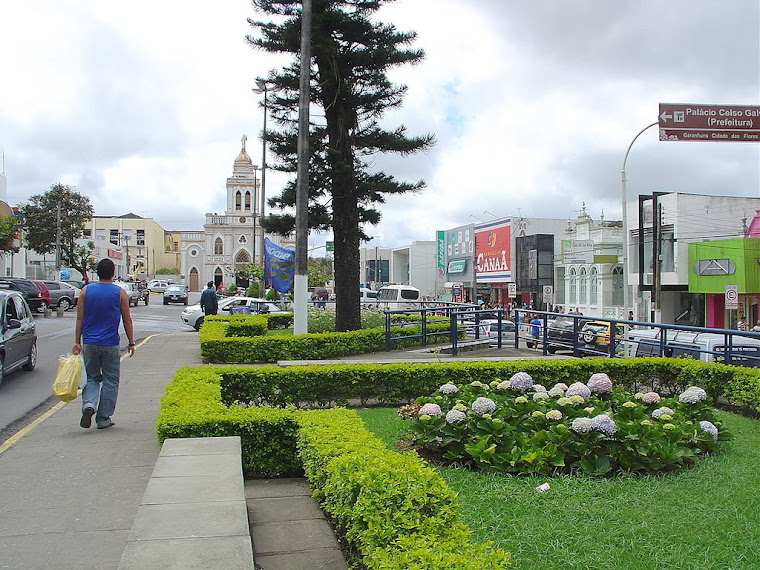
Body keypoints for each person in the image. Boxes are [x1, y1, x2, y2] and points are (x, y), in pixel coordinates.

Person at [73, 258, 135, 430]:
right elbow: (127, 320)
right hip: (110, 343)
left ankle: (89, 405)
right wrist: (131, 342)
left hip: (90, 343)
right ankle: (103, 418)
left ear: (97, 272)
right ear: (113, 273)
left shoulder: (86, 291)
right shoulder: (119, 293)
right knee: (110, 380)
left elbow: (79, 318)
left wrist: (77, 342)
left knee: (91, 377)